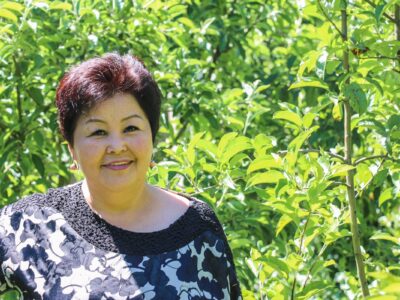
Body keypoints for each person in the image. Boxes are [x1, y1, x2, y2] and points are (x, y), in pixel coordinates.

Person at [0, 53, 242, 299]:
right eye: (98, 132)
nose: (117, 146)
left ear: (152, 136)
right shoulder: (27, 225)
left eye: (131, 128)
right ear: (71, 147)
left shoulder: (198, 229)